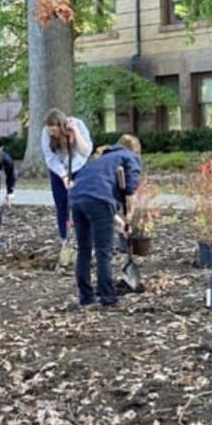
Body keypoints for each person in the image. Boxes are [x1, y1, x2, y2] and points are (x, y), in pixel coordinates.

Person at [67, 134, 142, 308]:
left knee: (84, 250)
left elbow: (96, 197)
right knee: (103, 251)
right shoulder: (129, 157)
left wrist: (121, 224)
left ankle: (86, 298)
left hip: (77, 200)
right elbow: (130, 189)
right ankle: (108, 297)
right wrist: (130, 214)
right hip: (98, 202)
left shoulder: (99, 161)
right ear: (135, 150)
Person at [41, 109, 93, 243]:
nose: (51, 133)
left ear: (61, 127)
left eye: (54, 131)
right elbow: (50, 158)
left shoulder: (78, 125)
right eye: (50, 130)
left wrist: (75, 132)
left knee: (82, 203)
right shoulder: (46, 133)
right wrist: (64, 176)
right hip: (58, 172)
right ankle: (65, 239)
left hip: (79, 168)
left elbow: (85, 151)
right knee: (62, 204)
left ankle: (85, 238)